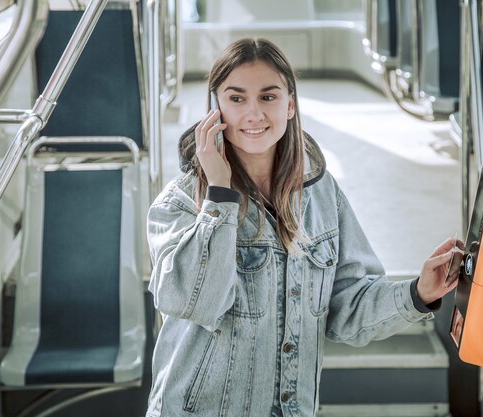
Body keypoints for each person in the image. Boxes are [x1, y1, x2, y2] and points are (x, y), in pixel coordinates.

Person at [146, 38, 459, 417]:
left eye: (268, 96)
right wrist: (219, 195)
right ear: (215, 109)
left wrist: (417, 293)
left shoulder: (322, 195)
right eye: (237, 98)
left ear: (290, 105)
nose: (254, 114)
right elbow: (197, 302)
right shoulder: (179, 204)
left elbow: (347, 308)